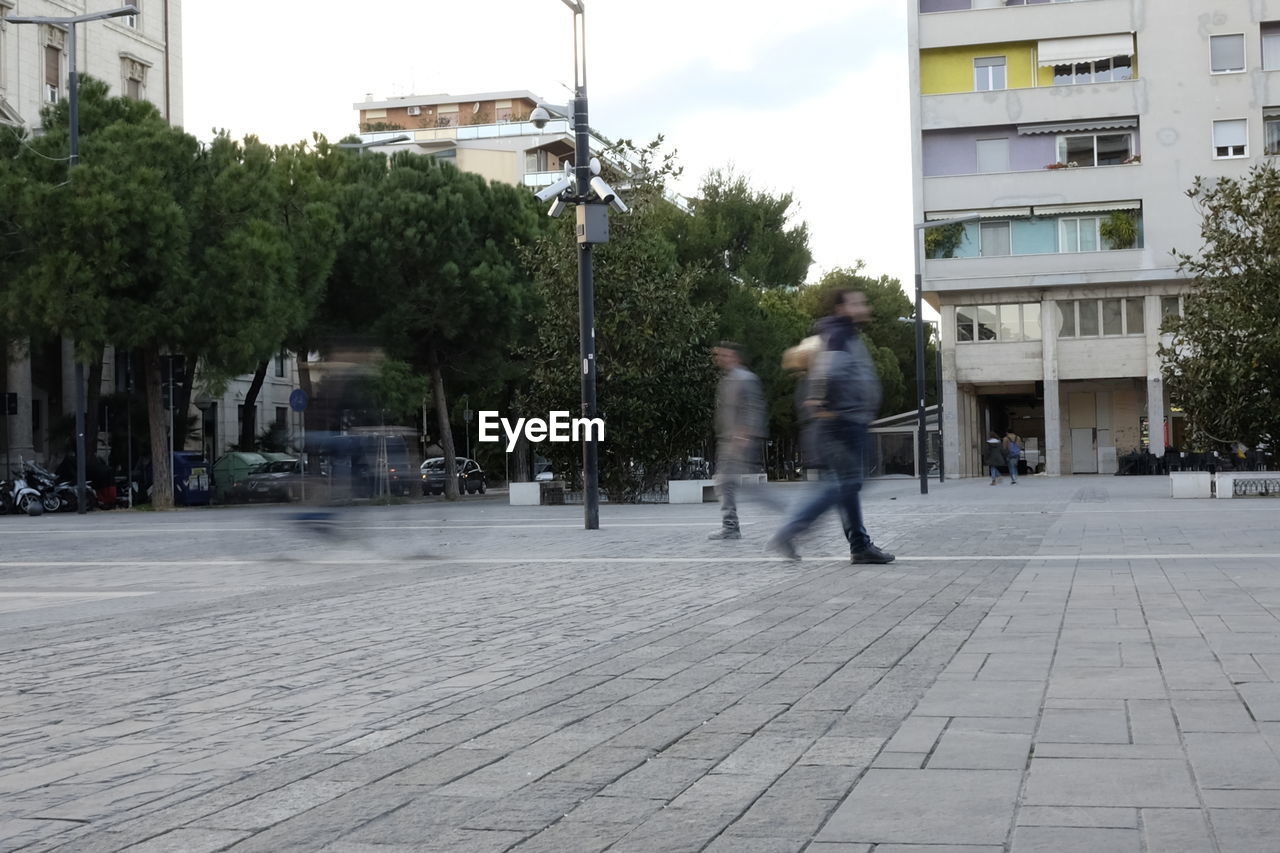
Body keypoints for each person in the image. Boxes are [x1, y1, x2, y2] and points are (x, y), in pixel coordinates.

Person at [767, 289, 894, 564]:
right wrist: (820, 400)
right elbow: (828, 370)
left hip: (848, 420)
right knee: (849, 482)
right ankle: (792, 530)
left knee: (847, 484)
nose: (864, 306)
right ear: (841, 308)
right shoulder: (838, 334)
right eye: (857, 302)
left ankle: (859, 545)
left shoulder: (846, 334)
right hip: (841, 421)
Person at [708, 341, 767, 540]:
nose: (720, 359)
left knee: (728, 483)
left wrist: (744, 434)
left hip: (739, 440)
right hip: (728, 439)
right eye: (718, 355)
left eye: (724, 355)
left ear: (734, 356)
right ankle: (731, 525)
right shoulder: (727, 380)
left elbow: (753, 408)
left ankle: (731, 526)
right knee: (726, 483)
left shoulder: (745, 379)